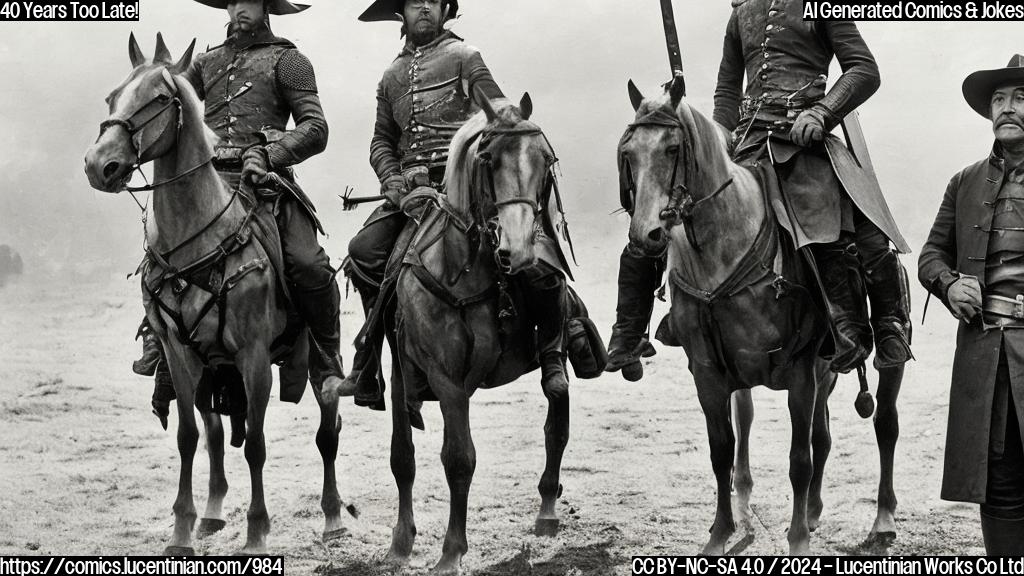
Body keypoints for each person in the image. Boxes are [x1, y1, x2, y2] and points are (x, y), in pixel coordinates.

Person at [608, 0, 912, 380]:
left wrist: (822, 112)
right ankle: (631, 330)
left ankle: (874, 327)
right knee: (668, 203)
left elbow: (864, 70)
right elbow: (728, 91)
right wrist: (717, 142)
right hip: (748, 143)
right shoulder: (741, 12)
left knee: (844, 222)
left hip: (805, 139)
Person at [338, 0, 570, 409]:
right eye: (414, 2)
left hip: (467, 184)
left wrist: (456, 169)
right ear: (402, 14)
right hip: (410, 194)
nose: (424, 7)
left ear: (445, 10)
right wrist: (393, 179)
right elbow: (381, 141)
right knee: (364, 253)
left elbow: (501, 115)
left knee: (533, 257)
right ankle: (370, 362)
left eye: (433, 0)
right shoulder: (391, 76)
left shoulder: (465, 57)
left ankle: (557, 347)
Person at [133, 0, 346, 427]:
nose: (239, 8)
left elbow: (315, 126)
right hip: (206, 183)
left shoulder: (289, 60)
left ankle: (327, 360)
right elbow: (172, 110)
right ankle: (162, 347)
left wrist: (268, 152)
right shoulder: (207, 62)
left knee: (309, 265)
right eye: (233, 0)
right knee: (158, 261)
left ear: (266, 7)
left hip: (266, 185)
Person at [919, 55, 1024, 555]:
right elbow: (931, 254)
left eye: (1021, 99)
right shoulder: (964, 182)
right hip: (988, 362)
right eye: (1000, 100)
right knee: (999, 482)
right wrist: (947, 285)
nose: (1008, 108)